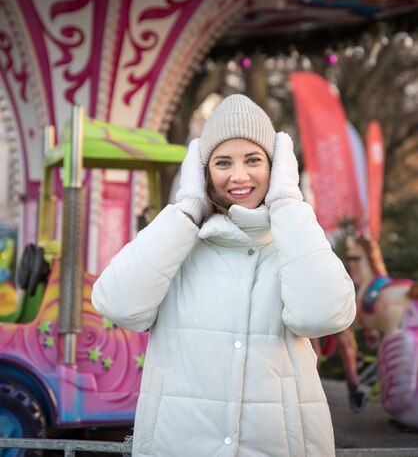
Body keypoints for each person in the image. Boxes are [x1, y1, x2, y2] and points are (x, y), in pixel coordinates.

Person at [92, 94, 356, 457]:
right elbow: (117, 303)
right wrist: (187, 209)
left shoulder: (295, 242)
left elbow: (323, 315)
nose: (239, 176)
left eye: (253, 160)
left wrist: (287, 204)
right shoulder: (176, 244)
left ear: (276, 167)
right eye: (222, 162)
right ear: (203, 172)